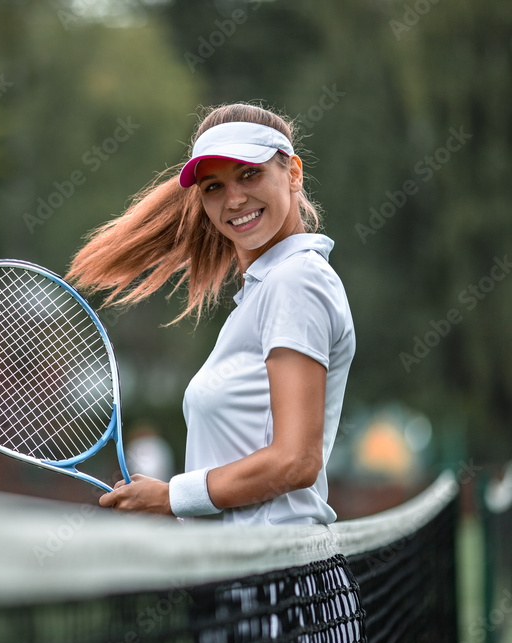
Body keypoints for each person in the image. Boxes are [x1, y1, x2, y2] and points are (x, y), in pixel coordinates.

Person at [67, 102, 355, 525]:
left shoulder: (295, 281)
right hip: (253, 577)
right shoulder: (266, 288)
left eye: (249, 173)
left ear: (292, 173)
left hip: (282, 583)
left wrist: (171, 496)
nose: (234, 199)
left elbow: (297, 461)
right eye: (213, 187)